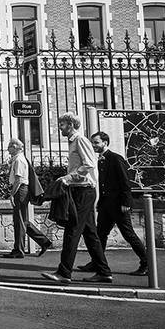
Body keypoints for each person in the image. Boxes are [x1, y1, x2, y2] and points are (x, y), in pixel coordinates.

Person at [41, 112, 112, 284]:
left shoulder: (80, 140)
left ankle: (64, 273)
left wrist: (68, 178)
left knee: (72, 230)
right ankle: (104, 271)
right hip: (80, 190)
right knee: (89, 233)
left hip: (84, 191)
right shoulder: (74, 141)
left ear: (71, 124)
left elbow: (89, 163)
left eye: (62, 124)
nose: (60, 127)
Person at [77, 131, 148, 276]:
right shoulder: (100, 160)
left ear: (105, 143)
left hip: (118, 205)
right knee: (100, 235)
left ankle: (147, 263)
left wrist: (126, 202)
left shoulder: (116, 159)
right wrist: (100, 203)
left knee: (128, 234)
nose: (93, 145)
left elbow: (125, 182)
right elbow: (103, 185)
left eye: (96, 142)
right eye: (92, 142)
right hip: (106, 205)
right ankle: (97, 262)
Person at [6, 138, 51, 258]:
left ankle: (19, 250)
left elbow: (18, 180)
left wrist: (12, 194)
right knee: (23, 220)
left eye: (9, 146)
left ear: (15, 147)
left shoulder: (19, 160)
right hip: (22, 190)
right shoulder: (17, 159)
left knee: (19, 220)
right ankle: (43, 241)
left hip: (20, 191)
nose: (7, 149)